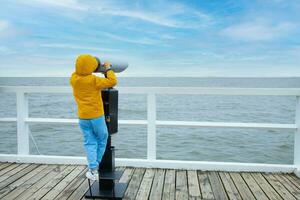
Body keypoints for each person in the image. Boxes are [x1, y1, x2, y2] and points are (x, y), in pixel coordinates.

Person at [70, 54, 117, 180]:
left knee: (89, 142)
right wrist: (107, 69)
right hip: (96, 116)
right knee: (102, 138)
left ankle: (92, 170)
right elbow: (112, 81)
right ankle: (95, 166)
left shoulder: (73, 78)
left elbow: (81, 70)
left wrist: (87, 67)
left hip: (83, 117)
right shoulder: (93, 80)